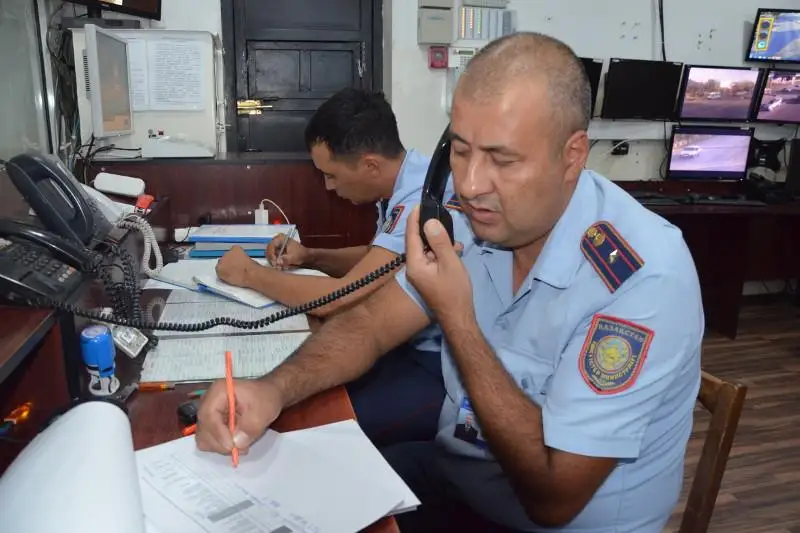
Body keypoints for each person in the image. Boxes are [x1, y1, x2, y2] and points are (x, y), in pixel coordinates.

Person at [196, 32, 703, 532]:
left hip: (546, 521)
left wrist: (457, 319)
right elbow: (370, 324)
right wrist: (273, 389)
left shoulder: (643, 278)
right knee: (296, 492)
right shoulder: (468, 218)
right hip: (461, 475)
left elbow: (553, 498)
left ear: (572, 156)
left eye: (502, 159)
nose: (471, 184)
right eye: (460, 152)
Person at [215, 87, 470, 447]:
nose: (328, 186)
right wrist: (311, 256)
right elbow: (378, 259)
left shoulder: (421, 202)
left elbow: (340, 296)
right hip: (401, 343)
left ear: (370, 165)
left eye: (331, 175)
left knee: (311, 424)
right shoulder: (410, 180)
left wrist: (249, 274)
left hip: (433, 366)